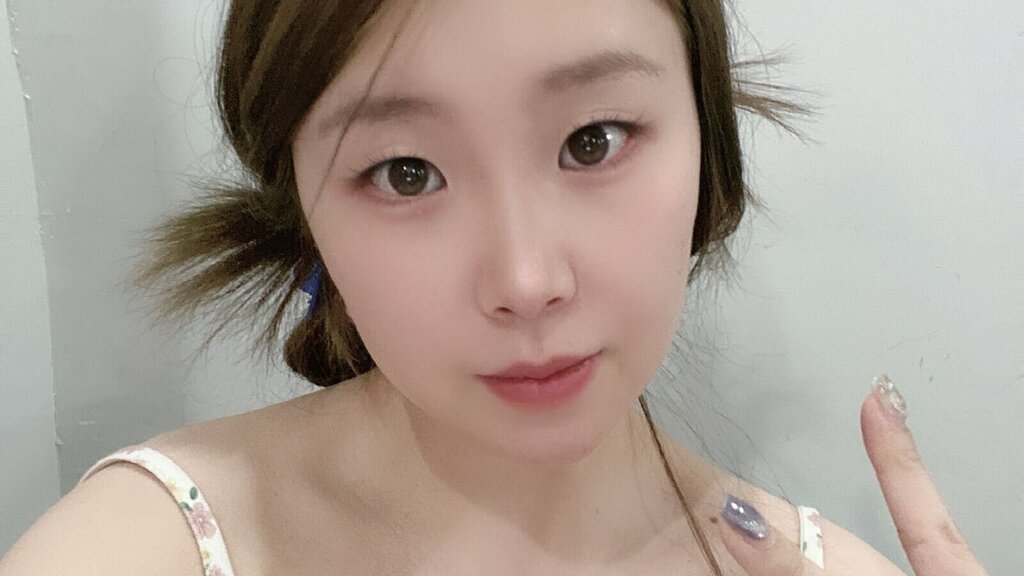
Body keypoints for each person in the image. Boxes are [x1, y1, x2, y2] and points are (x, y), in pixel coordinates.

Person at [0, 1, 989, 574]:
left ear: (708, 150)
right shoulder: (143, 550)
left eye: (592, 141)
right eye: (406, 174)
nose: (526, 282)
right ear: (303, 210)